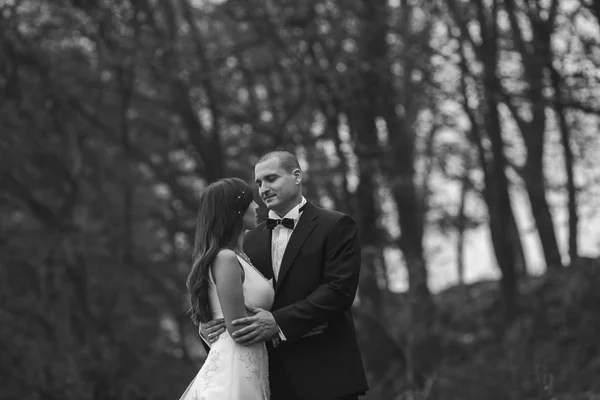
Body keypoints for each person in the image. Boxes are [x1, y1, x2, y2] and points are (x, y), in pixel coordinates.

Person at [201, 150, 368, 400]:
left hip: (327, 376)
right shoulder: (248, 240)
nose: (263, 188)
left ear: (297, 176)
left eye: (271, 179)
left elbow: (339, 290)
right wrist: (209, 327)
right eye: (258, 183)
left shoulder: (335, 225)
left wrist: (279, 322)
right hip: (269, 380)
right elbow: (231, 299)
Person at [179, 178, 274, 400]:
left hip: (251, 368)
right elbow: (237, 328)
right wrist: (275, 323)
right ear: (237, 210)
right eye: (251, 201)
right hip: (234, 372)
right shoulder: (226, 258)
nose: (257, 206)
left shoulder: (241, 257)